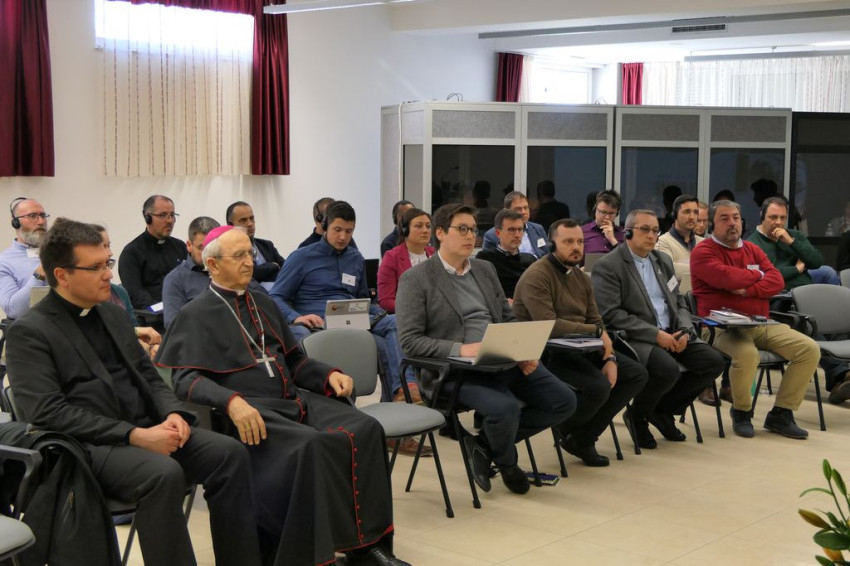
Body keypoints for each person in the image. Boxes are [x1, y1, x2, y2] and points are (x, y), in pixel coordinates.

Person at [6, 219, 262, 566]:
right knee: (162, 474)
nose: (108, 275)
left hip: (147, 428)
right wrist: (135, 436)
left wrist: (173, 413)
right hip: (90, 447)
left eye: (107, 263)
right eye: (96, 268)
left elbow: (151, 378)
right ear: (62, 275)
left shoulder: (112, 315)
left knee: (229, 454)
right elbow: (47, 413)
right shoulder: (30, 332)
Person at [157, 226, 408, 566]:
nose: (249, 262)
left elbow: (294, 361)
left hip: (293, 400)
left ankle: (367, 547)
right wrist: (231, 402)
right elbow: (184, 380)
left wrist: (328, 374)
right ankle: (314, 557)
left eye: (250, 254)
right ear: (212, 265)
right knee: (312, 446)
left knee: (366, 429)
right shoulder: (194, 314)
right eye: (238, 256)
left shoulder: (262, 300)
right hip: (251, 414)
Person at [396, 203, 576, 494]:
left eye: (473, 230)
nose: (471, 236)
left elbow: (506, 317)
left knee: (563, 400)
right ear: (440, 233)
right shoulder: (416, 279)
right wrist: (461, 349)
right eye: (462, 229)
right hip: (455, 372)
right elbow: (410, 341)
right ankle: (508, 464)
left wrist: (521, 351)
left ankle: (482, 446)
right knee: (505, 409)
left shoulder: (484, 269)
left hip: (502, 359)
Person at [271, 201, 424, 455]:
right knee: (372, 345)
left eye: (349, 231)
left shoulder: (355, 258)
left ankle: (402, 393)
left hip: (352, 319)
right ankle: (339, 426)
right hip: (316, 325)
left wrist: (371, 310)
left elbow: (362, 297)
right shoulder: (301, 257)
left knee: (394, 324)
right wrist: (296, 317)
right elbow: (276, 297)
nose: (343, 237)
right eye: (338, 230)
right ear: (324, 226)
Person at [513, 219, 648, 467]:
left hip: (582, 347)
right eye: (568, 242)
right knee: (599, 387)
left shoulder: (581, 277)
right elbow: (549, 325)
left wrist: (609, 357)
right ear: (552, 244)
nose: (576, 247)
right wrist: (596, 332)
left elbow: (596, 318)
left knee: (635, 374)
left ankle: (581, 437)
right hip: (546, 352)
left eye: (579, 242)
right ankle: (569, 427)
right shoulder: (537, 276)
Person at [592, 210, 725, 449]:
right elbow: (611, 314)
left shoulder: (662, 260)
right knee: (667, 369)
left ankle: (662, 410)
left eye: (655, 230)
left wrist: (684, 330)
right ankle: (637, 416)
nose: (651, 235)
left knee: (713, 362)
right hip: (637, 337)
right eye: (645, 230)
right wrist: (655, 335)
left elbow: (679, 302)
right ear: (628, 233)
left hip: (672, 332)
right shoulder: (609, 265)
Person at [691, 200, 820, 439]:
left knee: (809, 349)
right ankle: (741, 412)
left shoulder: (752, 250)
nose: (732, 223)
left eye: (735, 218)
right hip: (719, 327)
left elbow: (777, 281)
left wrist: (747, 289)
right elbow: (726, 277)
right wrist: (758, 275)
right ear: (711, 224)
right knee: (747, 355)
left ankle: (781, 414)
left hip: (759, 322)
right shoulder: (703, 251)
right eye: (724, 218)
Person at [162, 216, 265, 328]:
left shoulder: (232, 269)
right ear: (189, 246)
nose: (208, 253)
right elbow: (174, 326)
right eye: (202, 248)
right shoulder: (175, 279)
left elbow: (264, 302)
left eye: (214, 248)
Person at [747, 196, 839, 288]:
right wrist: (796, 269)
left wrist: (791, 242)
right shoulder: (752, 244)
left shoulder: (794, 235)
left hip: (805, 287)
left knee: (828, 272)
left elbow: (816, 262)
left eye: (783, 218)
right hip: (781, 292)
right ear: (762, 215)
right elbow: (765, 276)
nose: (779, 222)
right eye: (773, 217)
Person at [118, 195, 185, 310]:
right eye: (162, 215)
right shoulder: (131, 252)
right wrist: (164, 309)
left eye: (172, 215)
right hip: (153, 315)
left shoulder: (180, 246)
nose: (170, 220)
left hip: (183, 310)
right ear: (147, 218)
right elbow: (135, 294)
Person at [0, 197, 50, 319]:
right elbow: (14, 311)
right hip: (34, 327)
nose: (41, 221)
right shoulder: (4, 262)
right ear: (15, 222)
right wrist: (38, 276)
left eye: (43, 215)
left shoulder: (63, 252)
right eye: (33, 216)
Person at [377, 207, 434, 313]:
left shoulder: (436, 255)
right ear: (405, 230)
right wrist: (416, 309)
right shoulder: (392, 257)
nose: (425, 230)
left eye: (428, 226)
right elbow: (386, 301)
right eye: (419, 226)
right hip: (408, 315)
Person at [475, 208, 537, 300]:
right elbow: (482, 293)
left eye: (520, 230)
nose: (517, 235)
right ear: (498, 233)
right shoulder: (485, 259)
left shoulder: (530, 260)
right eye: (511, 230)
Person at [226, 201, 286, 291]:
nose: (250, 224)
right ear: (230, 225)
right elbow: (249, 274)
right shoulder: (228, 251)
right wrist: (272, 266)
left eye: (252, 218)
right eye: (243, 220)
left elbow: (286, 268)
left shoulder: (267, 245)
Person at [655, 194, 703, 294]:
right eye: (687, 212)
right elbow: (668, 270)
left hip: (702, 298)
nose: (692, 217)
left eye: (695, 212)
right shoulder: (662, 241)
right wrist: (704, 268)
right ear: (674, 215)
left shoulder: (704, 243)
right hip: (676, 300)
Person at [481, 191, 549, 259]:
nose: (523, 212)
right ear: (507, 210)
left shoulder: (538, 229)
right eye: (518, 209)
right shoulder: (492, 236)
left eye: (526, 208)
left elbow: (547, 255)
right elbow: (488, 262)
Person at [581, 190, 625, 255]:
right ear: (595, 210)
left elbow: (627, 258)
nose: (607, 217)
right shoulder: (582, 232)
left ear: (617, 213)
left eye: (611, 213)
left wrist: (612, 239)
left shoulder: (623, 234)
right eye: (603, 212)